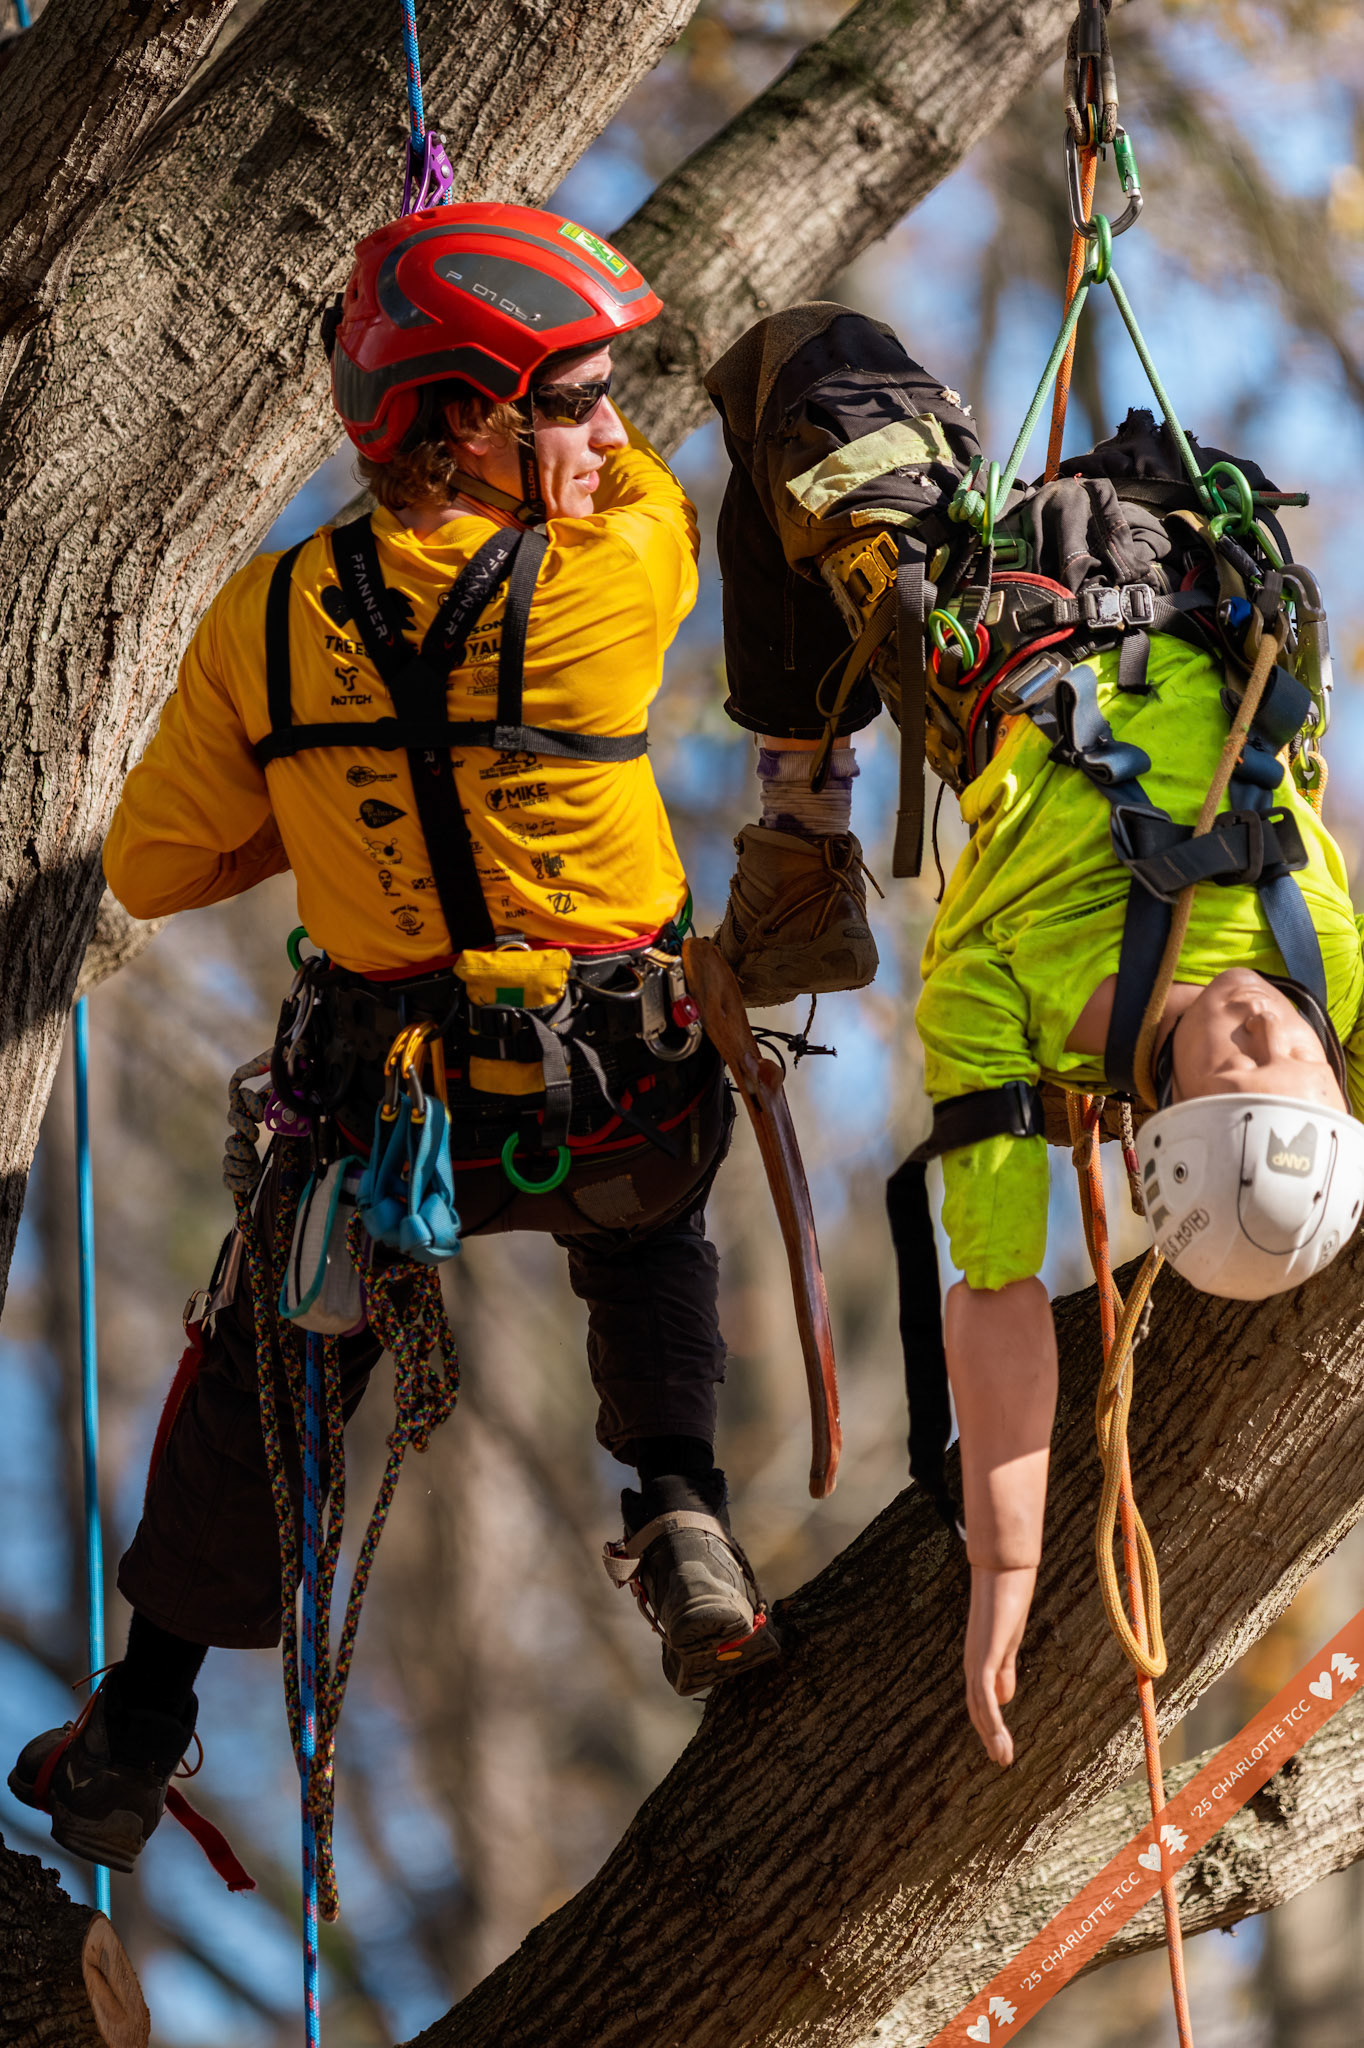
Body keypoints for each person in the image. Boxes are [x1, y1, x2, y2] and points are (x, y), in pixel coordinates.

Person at [10, 204, 781, 1879]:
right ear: (467, 421)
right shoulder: (612, 578)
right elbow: (655, 498)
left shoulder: (266, 621)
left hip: (375, 1128)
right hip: (611, 1106)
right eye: (573, 397)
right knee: (653, 1235)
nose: (609, 429)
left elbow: (149, 865)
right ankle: (680, 1506)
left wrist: (317, 809)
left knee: (271, 1356)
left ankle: (141, 1719)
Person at [704, 303, 1364, 1765]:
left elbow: (996, 1296)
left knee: (799, 372)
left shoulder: (1012, 1006)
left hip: (992, 627)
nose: (1264, 1033)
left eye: (1239, 1073)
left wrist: (1006, 1564)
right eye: (1301, 1068)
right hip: (1178, 554)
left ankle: (801, 814)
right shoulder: (1342, 977)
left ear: (1163, 1124)